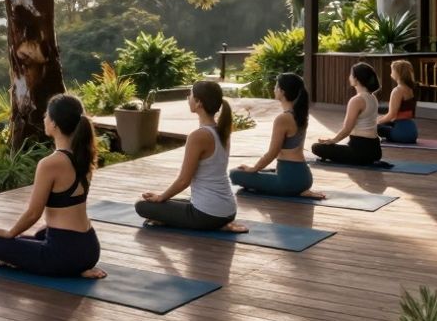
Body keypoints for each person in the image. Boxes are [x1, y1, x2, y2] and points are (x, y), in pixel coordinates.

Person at [0, 94, 106, 279]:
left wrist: (10, 233)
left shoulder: (50, 164)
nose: (44, 118)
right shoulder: (84, 157)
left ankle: (70, 268)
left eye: (47, 115)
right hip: (89, 248)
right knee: (39, 235)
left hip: (64, 254)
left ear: (54, 124)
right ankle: (77, 266)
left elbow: (34, 213)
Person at [134, 80, 246, 232]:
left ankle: (169, 219)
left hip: (207, 215)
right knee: (168, 202)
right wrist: (163, 197)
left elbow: (183, 181)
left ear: (199, 102)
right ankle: (216, 224)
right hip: (228, 211)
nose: (188, 98)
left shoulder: (198, 136)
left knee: (141, 205)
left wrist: (161, 197)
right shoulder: (222, 132)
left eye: (190, 95)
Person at [230, 73, 325, 198]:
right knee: (257, 172)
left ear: (282, 91)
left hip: (288, 181)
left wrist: (254, 168)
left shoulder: (283, 119)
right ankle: (299, 189)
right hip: (304, 178)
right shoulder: (300, 115)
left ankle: (293, 189)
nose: (274, 89)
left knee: (235, 173)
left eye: (276, 86)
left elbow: (272, 153)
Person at [312, 62, 387, 166]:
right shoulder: (373, 97)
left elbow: (347, 129)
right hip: (375, 150)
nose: (349, 77)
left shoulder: (357, 100)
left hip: (360, 151)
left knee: (316, 147)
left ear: (355, 79)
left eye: (351, 74)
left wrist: (332, 141)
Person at [377, 60, 420, 144]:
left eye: (392, 70)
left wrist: (376, 122)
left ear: (398, 73)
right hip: (412, 131)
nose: (391, 72)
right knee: (380, 120)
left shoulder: (397, 91)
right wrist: (380, 118)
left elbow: (391, 115)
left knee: (372, 126)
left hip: (402, 133)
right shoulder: (411, 88)